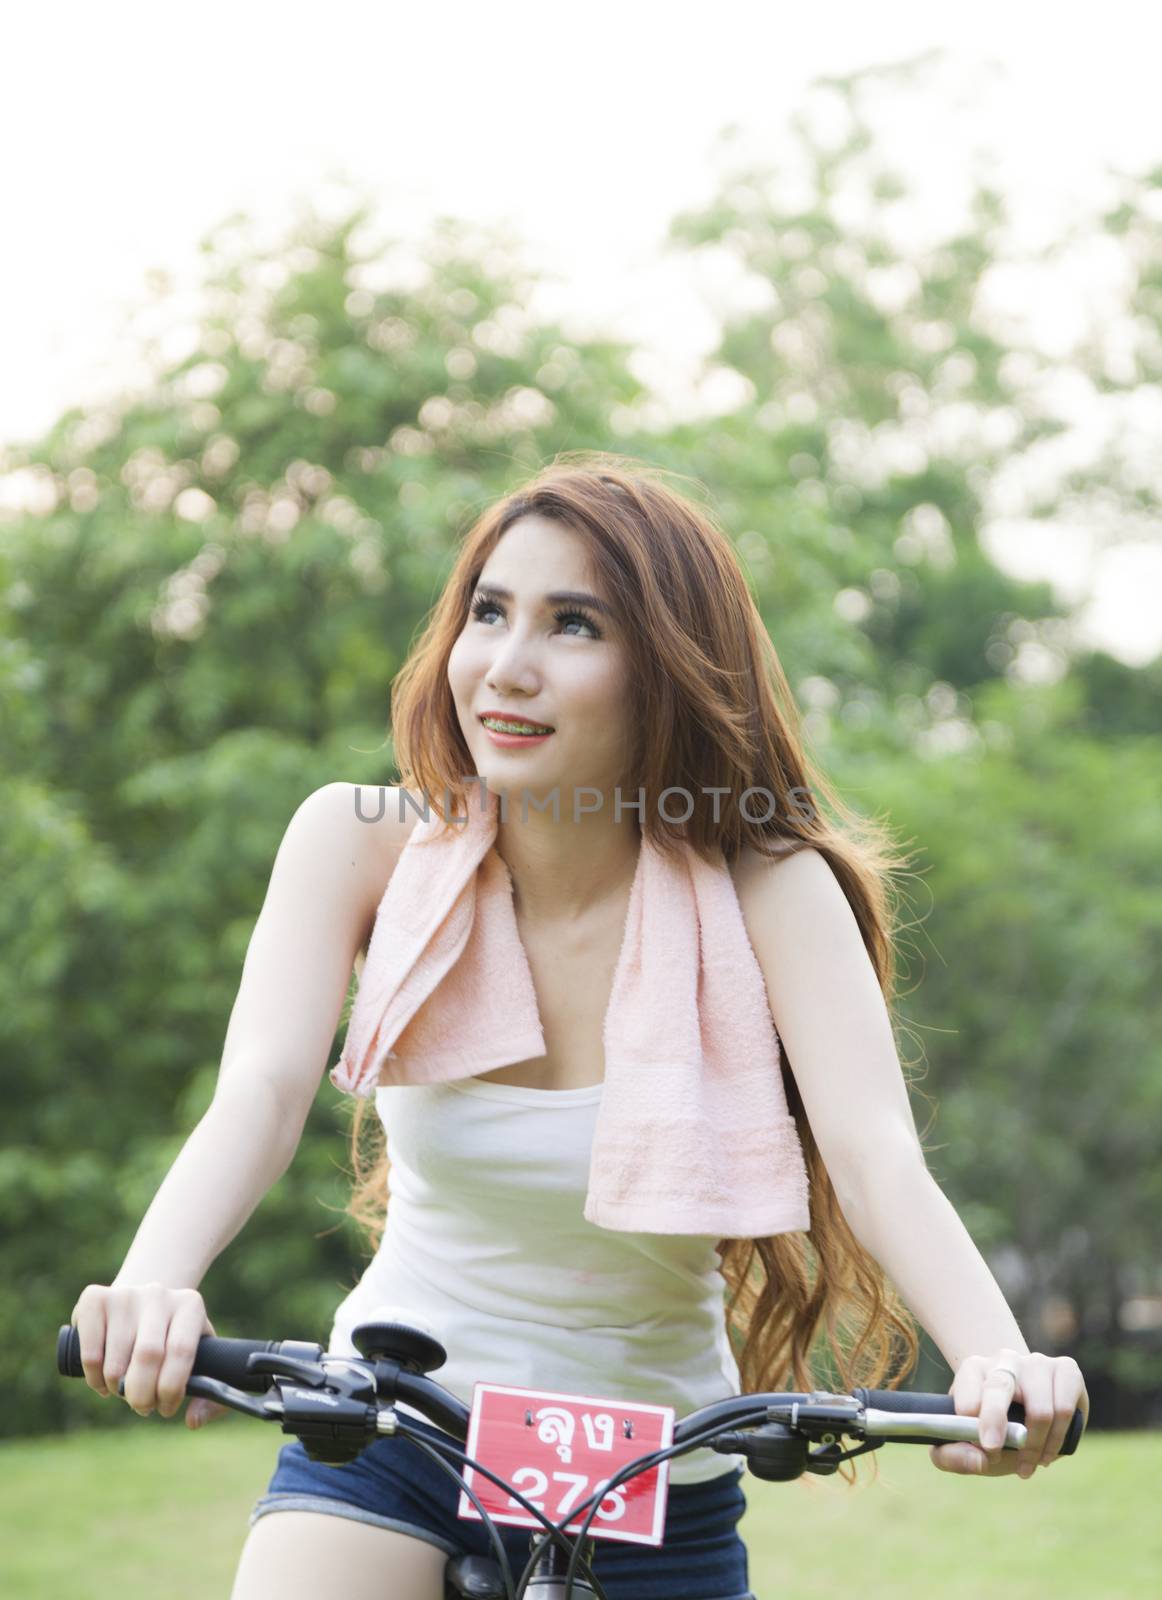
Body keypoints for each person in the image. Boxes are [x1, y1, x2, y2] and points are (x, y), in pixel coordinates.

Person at [70, 458, 1088, 1600]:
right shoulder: (355, 842)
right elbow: (257, 1096)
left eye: (573, 625)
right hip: (395, 1435)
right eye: (488, 612)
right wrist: (156, 1279)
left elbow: (875, 1157)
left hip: (657, 1469)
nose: (506, 665)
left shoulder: (768, 885)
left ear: (663, 669)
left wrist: (1002, 1361)